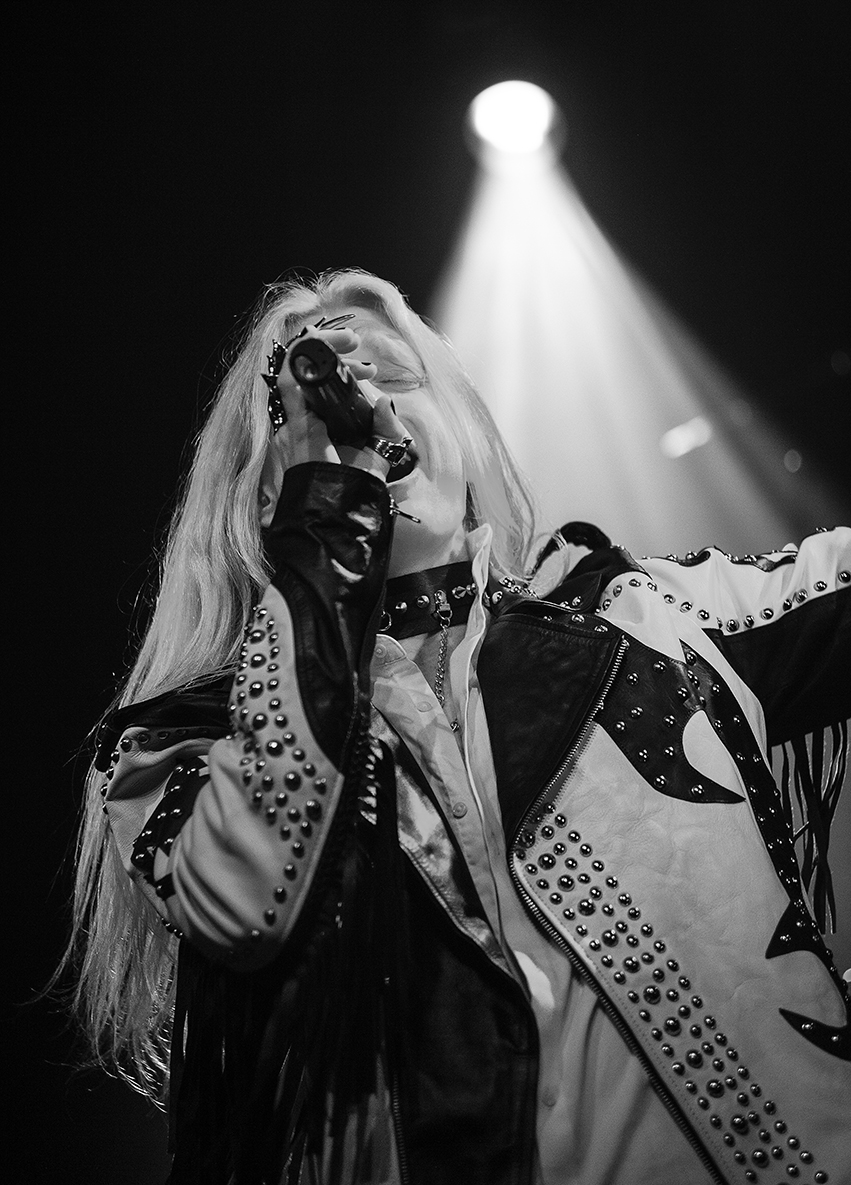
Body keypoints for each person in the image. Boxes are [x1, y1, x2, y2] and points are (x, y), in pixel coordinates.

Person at [69, 269, 850, 1185]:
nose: (363, 407)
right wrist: (330, 520)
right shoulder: (175, 744)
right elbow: (247, 903)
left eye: (393, 379)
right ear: (261, 493)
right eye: (307, 405)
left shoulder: (649, 616)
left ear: (470, 438)